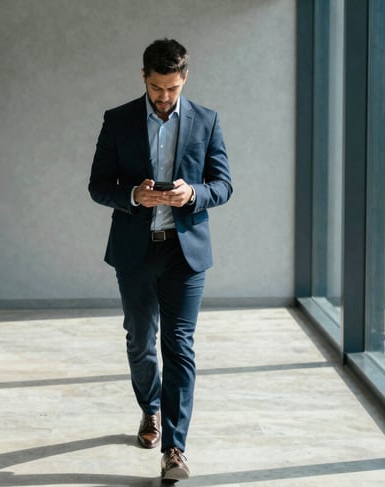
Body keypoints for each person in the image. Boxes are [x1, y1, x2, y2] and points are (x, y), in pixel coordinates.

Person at [88, 38, 233, 481]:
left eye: (171, 87)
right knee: (139, 339)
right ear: (144, 78)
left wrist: (194, 194)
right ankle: (149, 407)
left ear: (184, 77)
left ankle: (175, 448)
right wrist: (134, 194)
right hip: (135, 249)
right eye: (156, 87)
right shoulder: (118, 120)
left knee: (180, 346)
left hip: (183, 253)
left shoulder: (207, 121)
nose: (164, 96)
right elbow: (97, 185)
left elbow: (223, 184)